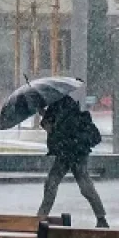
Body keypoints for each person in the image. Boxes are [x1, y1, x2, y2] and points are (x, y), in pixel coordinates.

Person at [36, 95, 109, 227]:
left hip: (68, 154)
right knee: (85, 186)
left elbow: (55, 131)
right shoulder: (67, 105)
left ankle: (41, 217)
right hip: (78, 152)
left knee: (51, 184)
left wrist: (45, 117)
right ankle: (101, 218)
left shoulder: (57, 106)